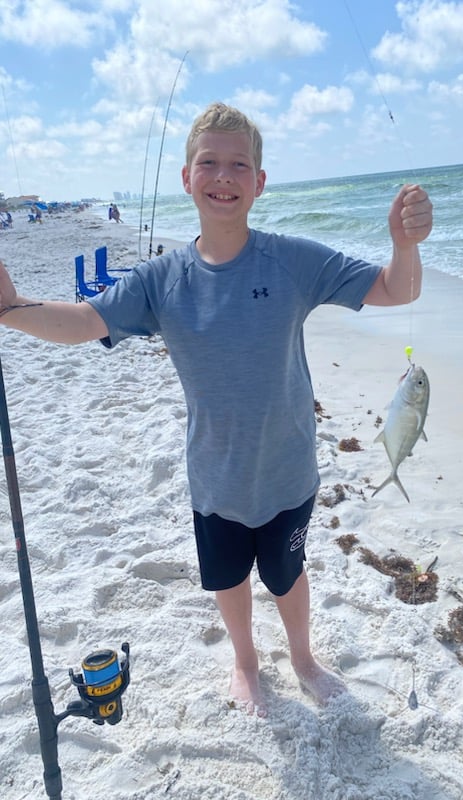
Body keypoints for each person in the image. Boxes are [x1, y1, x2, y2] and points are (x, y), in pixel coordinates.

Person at [0, 102, 432, 716]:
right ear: (186, 177)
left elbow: (398, 288)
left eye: (239, 165)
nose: (223, 176)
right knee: (228, 581)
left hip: (287, 473)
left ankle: (303, 658)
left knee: (287, 574)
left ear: (259, 182)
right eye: (209, 162)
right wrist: (10, 308)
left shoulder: (291, 261)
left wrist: (403, 242)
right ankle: (246, 663)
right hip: (215, 478)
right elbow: (83, 322)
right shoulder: (162, 279)